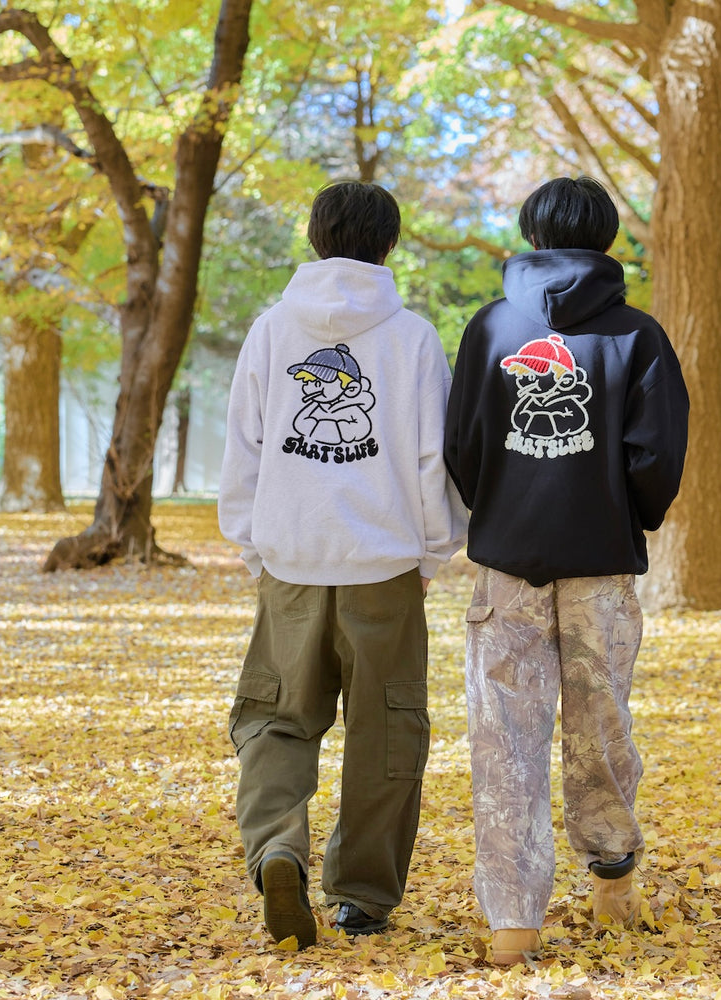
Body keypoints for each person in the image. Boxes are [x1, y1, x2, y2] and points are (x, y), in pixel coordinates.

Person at [443, 176, 689, 965]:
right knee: (600, 728)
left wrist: (503, 505)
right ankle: (613, 877)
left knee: (504, 739)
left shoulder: (489, 329)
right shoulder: (637, 337)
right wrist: (622, 516)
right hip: (600, 569)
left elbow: (465, 446)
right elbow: (657, 457)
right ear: (609, 238)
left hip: (507, 569)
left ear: (531, 233)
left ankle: (512, 920)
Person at [218, 180, 467, 949]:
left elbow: (245, 448)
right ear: (388, 245)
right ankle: (360, 896)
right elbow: (433, 459)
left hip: (291, 559)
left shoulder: (270, 332)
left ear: (315, 237)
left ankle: (279, 848)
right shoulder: (414, 338)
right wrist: (432, 550)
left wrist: (256, 541)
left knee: (275, 719)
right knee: (384, 730)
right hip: (384, 566)